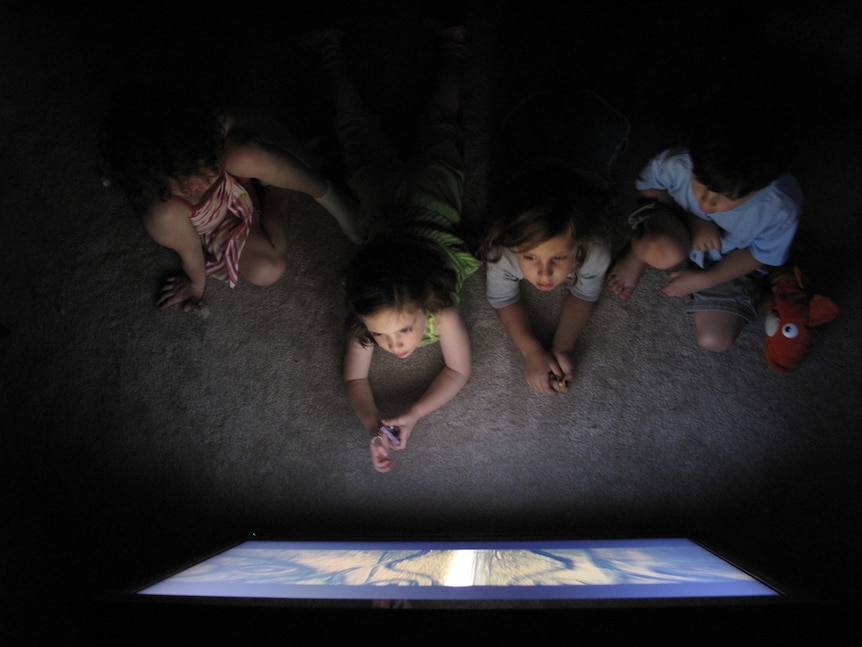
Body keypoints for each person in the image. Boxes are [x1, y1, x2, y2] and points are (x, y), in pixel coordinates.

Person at [301, 24, 480, 472]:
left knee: (406, 121)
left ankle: (454, 46)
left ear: (428, 305)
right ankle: (331, 50)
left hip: (408, 198)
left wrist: (407, 415)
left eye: (400, 331)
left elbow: (458, 370)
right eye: (382, 335)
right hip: (411, 200)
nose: (394, 345)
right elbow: (355, 375)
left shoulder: (443, 310)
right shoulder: (374, 310)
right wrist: (382, 421)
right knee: (411, 121)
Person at [101, 84, 364, 313]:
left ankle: (326, 193)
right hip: (217, 223)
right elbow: (191, 252)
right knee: (267, 269)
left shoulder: (202, 132)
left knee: (244, 152)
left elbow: (262, 124)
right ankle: (278, 185)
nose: (208, 179)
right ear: (158, 183)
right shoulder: (164, 213)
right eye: (194, 181)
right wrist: (196, 284)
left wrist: (294, 152)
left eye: (208, 166)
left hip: (237, 180)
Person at [606, 96, 802, 352]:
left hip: (727, 259)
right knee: (663, 249)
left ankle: (656, 249)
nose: (706, 204)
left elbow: (760, 255)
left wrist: (705, 280)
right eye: (700, 182)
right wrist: (695, 219)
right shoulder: (680, 162)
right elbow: (649, 189)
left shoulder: (779, 208)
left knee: (715, 340)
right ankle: (638, 251)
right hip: (675, 220)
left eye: (726, 198)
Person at [477, 87, 624, 396]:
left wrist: (562, 346)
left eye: (558, 258)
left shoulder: (594, 247)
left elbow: (586, 294)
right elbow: (502, 299)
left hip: (584, 173)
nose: (543, 275)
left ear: (579, 245)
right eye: (529, 258)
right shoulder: (502, 250)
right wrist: (531, 351)